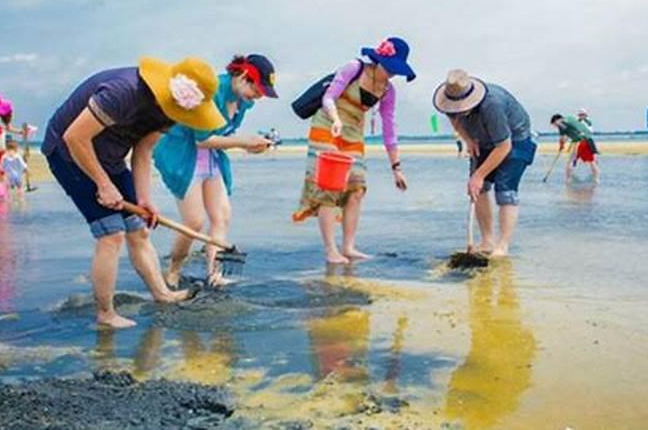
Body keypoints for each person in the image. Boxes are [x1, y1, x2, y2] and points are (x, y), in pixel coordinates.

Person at [41, 56, 224, 328]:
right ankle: (105, 314)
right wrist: (103, 184)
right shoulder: (123, 92)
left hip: (111, 158)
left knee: (139, 229)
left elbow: (143, 150)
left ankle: (162, 293)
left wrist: (143, 199)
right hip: (69, 154)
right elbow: (74, 137)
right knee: (111, 233)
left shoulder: (171, 112)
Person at [154, 54, 277, 288]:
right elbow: (202, 139)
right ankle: (173, 270)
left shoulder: (243, 101)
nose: (259, 96)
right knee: (194, 221)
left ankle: (215, 273)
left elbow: (223, 136)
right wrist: (243, 142)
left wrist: (252, 147)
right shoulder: (213, 91)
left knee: (222, 216)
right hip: (182, 153)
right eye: (258, 89)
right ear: (243, 76)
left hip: (210, 158)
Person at [292, 37, 415, 264]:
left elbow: (389, 128)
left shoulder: (388, 91)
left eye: (394, 71)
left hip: (354, 133)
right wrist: (336, 119)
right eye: (388, 68)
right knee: (329, 186)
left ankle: (348, 247)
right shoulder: (354, 68)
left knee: (357, 187)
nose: (390, 74)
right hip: (327, 125)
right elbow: (329, 97)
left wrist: (396, 168)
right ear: (378, 60)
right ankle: (331, 250)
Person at [433, 69, 536, 258]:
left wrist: (479, 175)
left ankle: (502, 246)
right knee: (477, 189)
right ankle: (487, 241)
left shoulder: (492, 105)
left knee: (505, 191)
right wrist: (468, 139)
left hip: (514, 140)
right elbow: (455, 121)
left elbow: (504, 146)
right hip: (481, 139)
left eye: (461, 107)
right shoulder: (450, 101)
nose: (457, 111)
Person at [550, 113, 600, 183]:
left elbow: (563, 138)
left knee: (571, 161)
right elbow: (570, 132)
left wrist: (561, 146)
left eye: (554, 125)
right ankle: (596, 179)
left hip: (580, 141)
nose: (555, 126)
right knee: (592, 161)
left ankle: (568, 180)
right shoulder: (570, 117)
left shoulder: (561, 123)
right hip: (589, 139)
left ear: (556, 121)